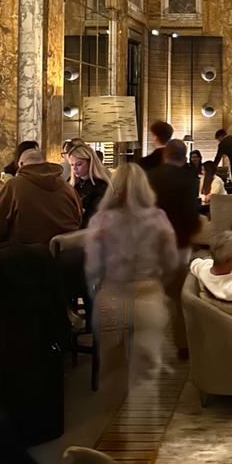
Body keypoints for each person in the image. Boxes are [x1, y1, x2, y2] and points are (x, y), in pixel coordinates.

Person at [85, 163, 179, 380]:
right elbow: (171, 262)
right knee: (146, 375)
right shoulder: (158, 218)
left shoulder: (100, 221)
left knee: (110, 371)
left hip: (112, 295)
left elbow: (92, 268)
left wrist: (97, 293)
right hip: (147, 295)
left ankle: (111, 409)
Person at [0, 148, 81, 246]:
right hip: (67, 253)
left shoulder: (13, 186)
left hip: (26, 254)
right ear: (44, 163)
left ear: (20, 164)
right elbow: (78, 218)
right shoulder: (67, 187)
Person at [147, 139, 201, 251]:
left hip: (154, 236)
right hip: (180, 238)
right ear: (185, 158)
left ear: (165, 155)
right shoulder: (190, 178)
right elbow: (191, 211)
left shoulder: (149, 176)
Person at [66, 142, 111, 228]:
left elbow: (93, 217)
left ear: (90, 162)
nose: (75, 168)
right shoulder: (70, 182)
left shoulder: (101, 186)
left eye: (79, 164)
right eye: (72, 165)